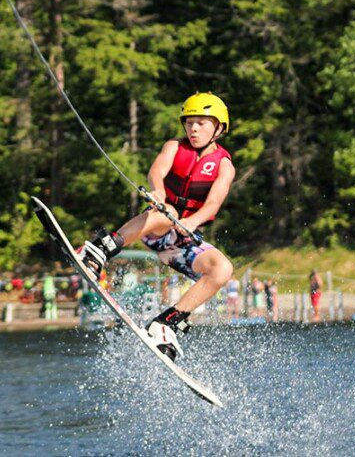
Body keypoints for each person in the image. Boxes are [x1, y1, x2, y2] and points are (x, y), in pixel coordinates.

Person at [74, 93, 235, 361]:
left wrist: (191, 222)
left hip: (183, 242)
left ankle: (165, 324)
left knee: (223, 269)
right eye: (190, 122)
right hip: (157, 227)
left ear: (218, 128)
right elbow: (156, 171)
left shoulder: (224, 166)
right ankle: (100, 250)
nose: (193, 129)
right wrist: (158, 192)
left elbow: (213, 203)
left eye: (202, 123)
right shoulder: (174, 146)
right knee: (168, 211)